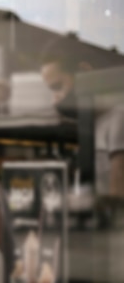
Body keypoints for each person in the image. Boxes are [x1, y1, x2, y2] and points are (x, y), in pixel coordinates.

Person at [40, 38, 124, 199]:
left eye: (58, 87)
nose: (55, 99)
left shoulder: (119, 119)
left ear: (84, 72)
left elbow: (118, 199)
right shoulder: (92, 123)